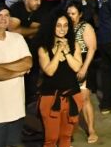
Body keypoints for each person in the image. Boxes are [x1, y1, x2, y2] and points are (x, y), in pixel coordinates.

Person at [36, 9, 84, 147]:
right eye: (58, 25)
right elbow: (50, 71)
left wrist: (66, 52)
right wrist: (58, 51)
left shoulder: (74, 46)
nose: (62, 29)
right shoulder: (43, 48)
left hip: (73, 96)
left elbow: (76, 68)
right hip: (51, 98)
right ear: (52, 26)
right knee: (51, 138)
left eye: (65, 25)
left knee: (66, 136)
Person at [0, 3, 32, 147]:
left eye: (7, 15)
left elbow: (28, 63)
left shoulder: (17, 38)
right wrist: (18, 72)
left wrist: (0, 68)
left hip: (16, 110)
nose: (4, 18)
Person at [65, 2, 98, 144]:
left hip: (84, 62)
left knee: (84, 98)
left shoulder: (85, 27)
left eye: (73, 13)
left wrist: (84, 68)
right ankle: (68, 130)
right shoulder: (64, 27)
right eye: (68, 13)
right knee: (68, 98)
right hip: (68, 63)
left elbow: (92, 48)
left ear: (80, 14)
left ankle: (91, 129)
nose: (70, 16)